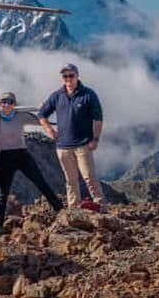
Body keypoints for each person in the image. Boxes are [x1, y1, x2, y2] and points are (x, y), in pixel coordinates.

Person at [38, 64, 105, 211]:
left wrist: (95, 139)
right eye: (65, 76)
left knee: (90, 178)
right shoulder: (57, 95)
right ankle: (73, 210)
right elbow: (42, 114)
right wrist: (49, 129)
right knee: (70, 180)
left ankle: (101, 206)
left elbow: (98, 118)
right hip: (63, 147)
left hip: (83, 145)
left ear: (77, 76)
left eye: (71, 75)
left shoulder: (88, 94)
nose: (68, 79)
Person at [0, 92, 63, 234]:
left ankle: (61, 210)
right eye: (4, 101)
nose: (7, 104)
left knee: (40, 182)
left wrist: (44, 109)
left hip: (22, 154)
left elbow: (40, 120)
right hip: (5, 156)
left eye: (10, 101)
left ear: (14, 104)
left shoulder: (21, 116)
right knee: (2, 193)